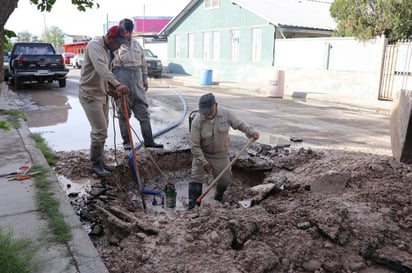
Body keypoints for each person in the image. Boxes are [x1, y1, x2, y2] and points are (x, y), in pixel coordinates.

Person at [188, 93, 259, 209]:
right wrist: (203, 162)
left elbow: (240, 124)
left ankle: (218, 196)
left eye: (208, 110)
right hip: (202, 154)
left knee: (225, 180)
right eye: (203, 111)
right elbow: (194, 146)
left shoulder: (226, 114)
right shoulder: (197, 121)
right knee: (196, 177)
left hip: (220, 155)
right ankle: (193, 206)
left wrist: (250, 132)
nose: (206, 113)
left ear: (215, 105)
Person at [79, 25, 130, 178]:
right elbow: (102, 69)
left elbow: (102, 77)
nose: (119, 46)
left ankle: (100, 162)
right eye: (118, 42)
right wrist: (118, 84)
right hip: (90, 95)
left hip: (102, 95)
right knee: (100, 130)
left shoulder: (108, 50)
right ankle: (95, 164)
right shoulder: (94, 46)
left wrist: (111, 90)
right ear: (109, 37)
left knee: (103, 131)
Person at [112, 18, 163, 150]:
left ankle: (149, 140)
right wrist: (114, 87)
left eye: (129, 32)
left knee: (144, 114)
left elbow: (143, 63)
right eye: (125, 32)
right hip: (122, 84)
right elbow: (108, 68)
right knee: (123, 114)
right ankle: (127, 142)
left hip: (138, 83)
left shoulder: (137, 45)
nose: (127, 35)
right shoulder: (115, 46)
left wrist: (145, 80)